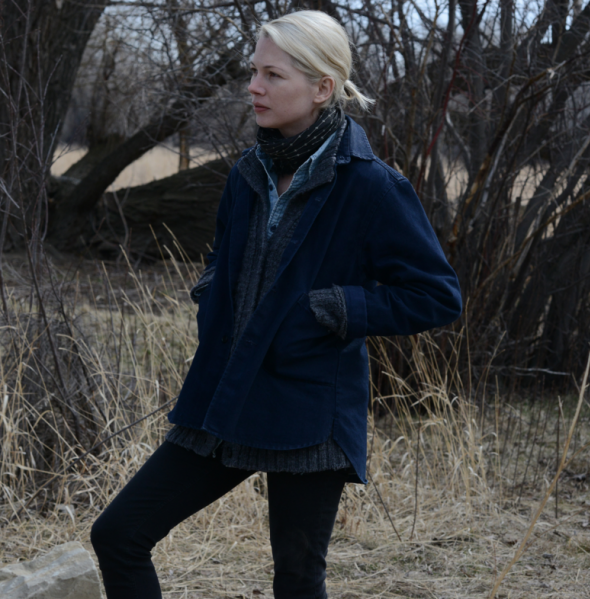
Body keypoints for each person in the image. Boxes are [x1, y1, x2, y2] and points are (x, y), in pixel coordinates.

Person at [90, 10, 462, 599]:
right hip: (226, 392)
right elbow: (222, 258)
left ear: (323, 88)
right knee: (119, 535)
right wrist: (213, 291)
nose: (254, 87)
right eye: (254, 72)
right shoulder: (247, 173)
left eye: (273, 75)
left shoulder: (371, 186)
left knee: (296, 580)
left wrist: (335, 308)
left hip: (310, 407)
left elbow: (437, 295)